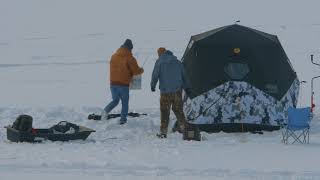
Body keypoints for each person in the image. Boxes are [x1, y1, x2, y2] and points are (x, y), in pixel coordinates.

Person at [151, 47, 192, 138]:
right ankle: (185, 130)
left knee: (165, 111)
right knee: (178, 110)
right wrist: (187, 88)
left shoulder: (159, 62)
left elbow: (155, 75)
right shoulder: (178, 62)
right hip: (177, 91)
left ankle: (163, 133)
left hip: (165, 92)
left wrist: (152, 86)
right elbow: (184, 76)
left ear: (160, 54)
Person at [101, 39, 144, 124]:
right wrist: (141, 70)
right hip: (123, 85)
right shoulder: (130, 58)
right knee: (125, 103)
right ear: (130, 48)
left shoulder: (113, 56)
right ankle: (123, 120)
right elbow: (136, 71)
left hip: (113, 84)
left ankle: (105, 111)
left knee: (115, 100)